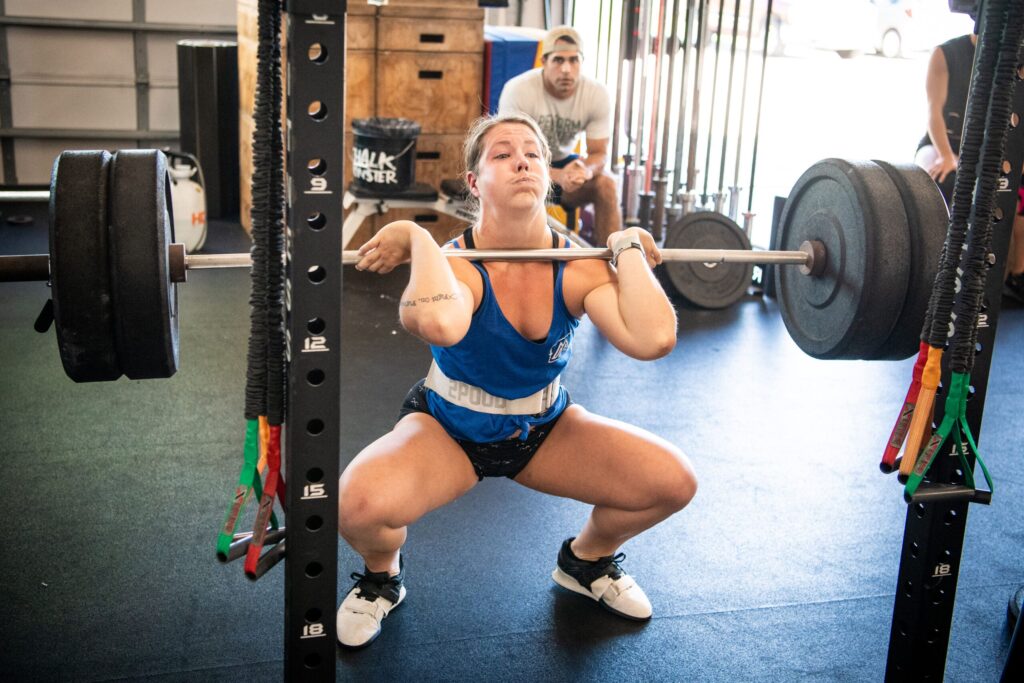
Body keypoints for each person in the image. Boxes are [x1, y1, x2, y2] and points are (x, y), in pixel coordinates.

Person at [335, 113, 697, 648]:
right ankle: (382, 577)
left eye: (531, 152)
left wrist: (625, 249)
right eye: (502, 154)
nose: (521, 159)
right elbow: (436, 322)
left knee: (672, 482)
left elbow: (653, 339)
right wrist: (416, 236)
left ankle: (586, 562)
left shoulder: (576, 266)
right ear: (476, 183)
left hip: (544, 429)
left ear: (547, 175)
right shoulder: (458, 266)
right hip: (449, 429)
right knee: (355, 505)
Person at [915, 28, 1024, 302]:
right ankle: (936, 276)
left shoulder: (1011, 61)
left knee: (1014, 190)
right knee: (947, 181)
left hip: (982, 155)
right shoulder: (946, 54)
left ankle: (1014, 279)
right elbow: (933, 113)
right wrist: (948, 156)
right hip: (940, 147)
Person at [497, 26, 620, 246]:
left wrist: (584, 171)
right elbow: (510, 155)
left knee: (607, 185)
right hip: (524, 166)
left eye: (574, 60)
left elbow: (599, 153)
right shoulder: (518, 90)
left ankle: (615, 265)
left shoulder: (596, 94)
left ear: (582, 63)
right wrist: (556, 175)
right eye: (558, 60)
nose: (566, 69)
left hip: (564, 166)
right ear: (544, 61)